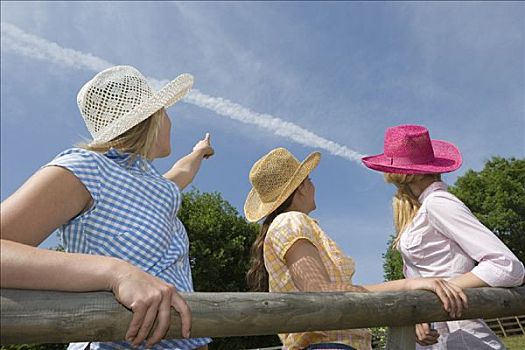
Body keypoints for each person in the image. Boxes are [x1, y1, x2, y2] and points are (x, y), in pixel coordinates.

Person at [0, 65, 214, 349]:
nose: (170, 119)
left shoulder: (153, 184)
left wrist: (199, 152)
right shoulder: (87, 167)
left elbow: (181, 172)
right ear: (154, 117)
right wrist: (116, 273)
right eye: (165, 110)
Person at [244, 147, 468, 350]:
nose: (313, 185)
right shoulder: (291, 221)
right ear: (301, 188)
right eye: (309, 179)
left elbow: (329, 290)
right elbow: (319, 291)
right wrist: (408, 285)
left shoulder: (291, 225)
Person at [361, 124, 525, 349]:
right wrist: (420, 311)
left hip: (463, 339)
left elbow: (506, 266)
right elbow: (421, 278)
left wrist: (437, 291)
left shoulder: (438, 203)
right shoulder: (421, 210)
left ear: (404, 173)